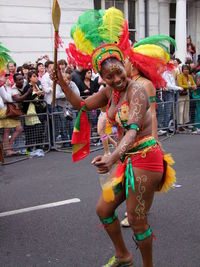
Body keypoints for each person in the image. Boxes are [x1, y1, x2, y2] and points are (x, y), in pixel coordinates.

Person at [54, 8, 176, 267]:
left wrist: (111, 159)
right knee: (104, 210)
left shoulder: (138, 91)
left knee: (136, 220)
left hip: (145, 156)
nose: (117, 79)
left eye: (119, 72)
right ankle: (123, 255)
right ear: (102, 76)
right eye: (109, 76)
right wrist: (63, 84)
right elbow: (82, 105)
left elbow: (132, 131)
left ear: (125, 65)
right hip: (128, 159)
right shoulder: (110, 92)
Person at [177, 64, 197, 131]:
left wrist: (194, 86)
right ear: (182, 70)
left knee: (186, 110)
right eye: (185, 69)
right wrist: (190, 86)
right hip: (181, 95)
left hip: (187, 94)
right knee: (181, 110)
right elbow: (180, 85)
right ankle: (180, 124)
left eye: (187, 69)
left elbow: (193, 83)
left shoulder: (190, 76)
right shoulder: (180, 76)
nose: (186, 70)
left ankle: (185, 124)